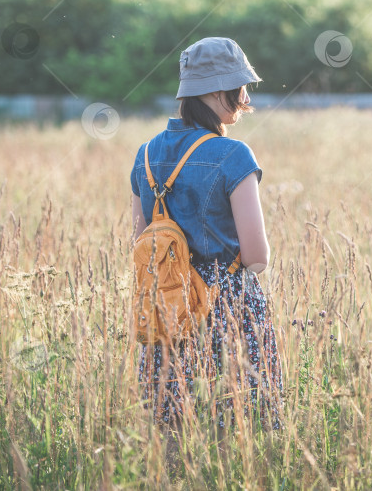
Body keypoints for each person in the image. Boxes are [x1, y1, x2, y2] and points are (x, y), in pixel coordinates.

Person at [129, 37, 283, 448]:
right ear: (217, 91)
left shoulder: (145, 155)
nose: (245, 97)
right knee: (247, 429)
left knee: (173, 431)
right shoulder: (233, 155)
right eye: (240, 87)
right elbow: (256, 256)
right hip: (228, 305)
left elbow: (141, 243)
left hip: (166, 306)